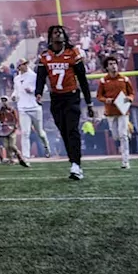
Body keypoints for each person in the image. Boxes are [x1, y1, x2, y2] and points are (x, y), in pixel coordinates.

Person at [35, 25, 95, 179]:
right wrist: (38, 93)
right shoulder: (45, 56)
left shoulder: (72, 53)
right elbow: (41, 77)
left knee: (72, 129)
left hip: (71, 96)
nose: (59, 35)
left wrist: (89, 103)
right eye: (55, 32)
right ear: (51, 37)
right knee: (64, 132)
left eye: (61, 32)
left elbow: (82, 79)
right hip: (56, 98)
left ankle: (76, 165)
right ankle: (73, 162)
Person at [96, 57, 135, 168]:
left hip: (123, 111)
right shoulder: (103, 81)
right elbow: (99, 96)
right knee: (115, 136)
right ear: (106, 67)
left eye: (115, 63)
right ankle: (127, 133)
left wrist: (130, 98)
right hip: (110, 112)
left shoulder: (125, 79)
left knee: (123, 136)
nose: (113, 66)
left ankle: (125, 161)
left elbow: (132, 93)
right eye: (111, 64)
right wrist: (105, 100)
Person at [11, 58, 50, 158]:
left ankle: (47, 147)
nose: (23, 66)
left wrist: (33, 90)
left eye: (24, 64)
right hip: (22, 107)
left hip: (34, 107)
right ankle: (26, 156)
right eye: (21, 65)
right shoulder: (16, 79)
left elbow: (44, 88)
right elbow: (16, 90)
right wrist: (14, 96)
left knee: (40, 132)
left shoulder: (34, 76)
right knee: (25, 132)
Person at [0, 97, 29, 167]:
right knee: (6, 146)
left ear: (7, 101)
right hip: (4, 131)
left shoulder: (12, 110)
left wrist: (15, 126)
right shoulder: (0, 111)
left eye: (5, 101)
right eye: (2, 101)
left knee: (11, 145)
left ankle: (19, 155)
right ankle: (11, 159)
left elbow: (16, 119)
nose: (4, 102)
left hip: (12, 130)